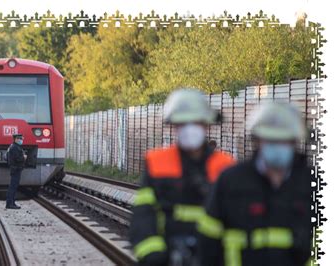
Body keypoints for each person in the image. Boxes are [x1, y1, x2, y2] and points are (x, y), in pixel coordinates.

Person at [129, 89, 236, 265]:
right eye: (183, 123)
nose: (189, 128)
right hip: (167, 256)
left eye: (195, 122)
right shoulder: (157, 163)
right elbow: (143, 215)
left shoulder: (225, 166)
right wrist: (153, 254)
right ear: (174, 126)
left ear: (206, 124)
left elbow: (236, 221)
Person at [198, 102, 312, 266]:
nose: (277, 145)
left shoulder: (313, 185)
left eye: (284, 140)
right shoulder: (230, 181)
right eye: (271, 139)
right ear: (257, 141)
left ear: (295, 142)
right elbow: (208, 243)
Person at [6, 133, 27, 209]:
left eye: (21, 138)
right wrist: (24, 157)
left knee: (13, 186)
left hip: (15, 168)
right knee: (13, 186)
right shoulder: (15, 147)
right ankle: (10, 203)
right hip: (16, 169)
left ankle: (12, 202)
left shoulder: (13, 146)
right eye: (20, 139)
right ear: (16, 139)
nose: (21, 140)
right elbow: (17, 159)